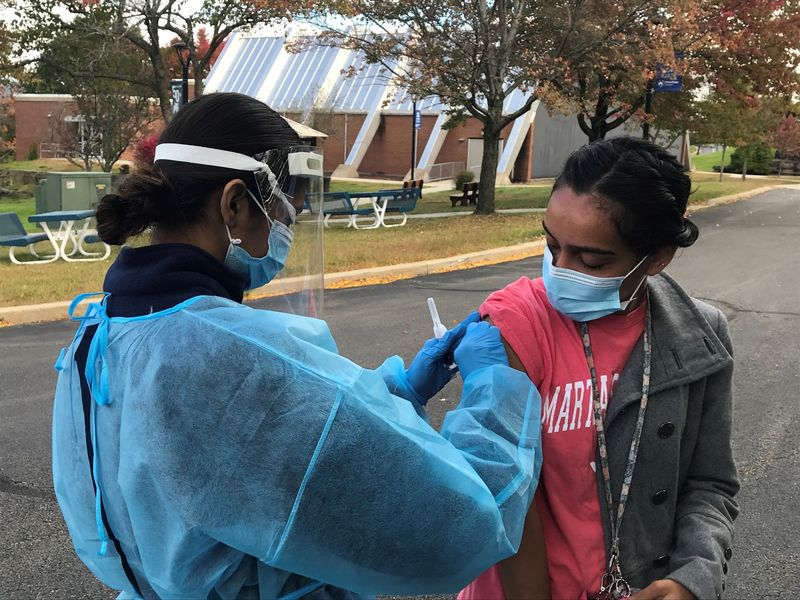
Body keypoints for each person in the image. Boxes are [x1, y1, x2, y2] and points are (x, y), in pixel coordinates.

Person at [51, 93, 543, 600]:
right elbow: (456, 529)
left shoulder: (100, 330)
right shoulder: (225, 354)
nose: (286, 234)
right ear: (236, 204)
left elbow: (252, 454)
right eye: (285, 215)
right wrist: (494, 391)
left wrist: (396, 393)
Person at [459, 137, 739, 600]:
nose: (560, 270)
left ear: (658, 258)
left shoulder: (698, 336)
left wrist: (693, 579)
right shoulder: (516, 320)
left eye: (590, 259)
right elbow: (509, 494)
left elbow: (710, 484)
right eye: (551, 245)